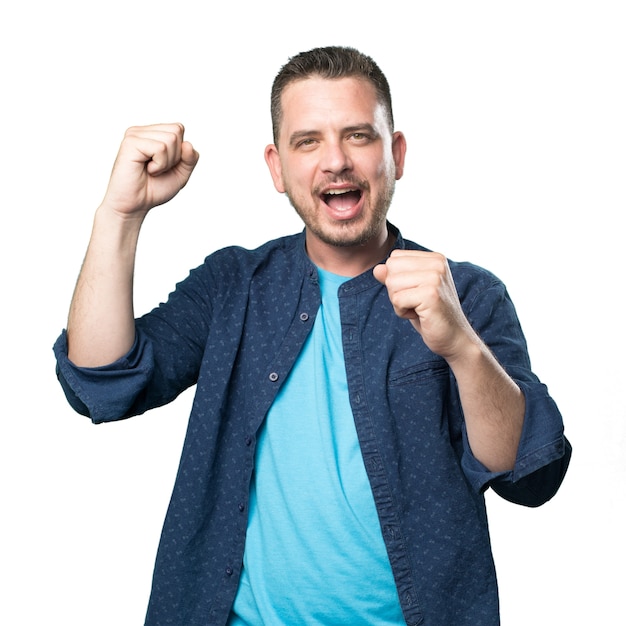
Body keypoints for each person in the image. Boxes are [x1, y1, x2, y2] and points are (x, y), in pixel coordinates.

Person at [54, 46, 571, 626]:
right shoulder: (234, 286)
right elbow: (102, 382)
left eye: (358, 136)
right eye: (308, 141)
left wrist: (462, 347)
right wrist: (119, 215)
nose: (335, 161)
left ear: (395, 154)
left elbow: (526, 475)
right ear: (276, 167)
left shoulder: (466, 296)